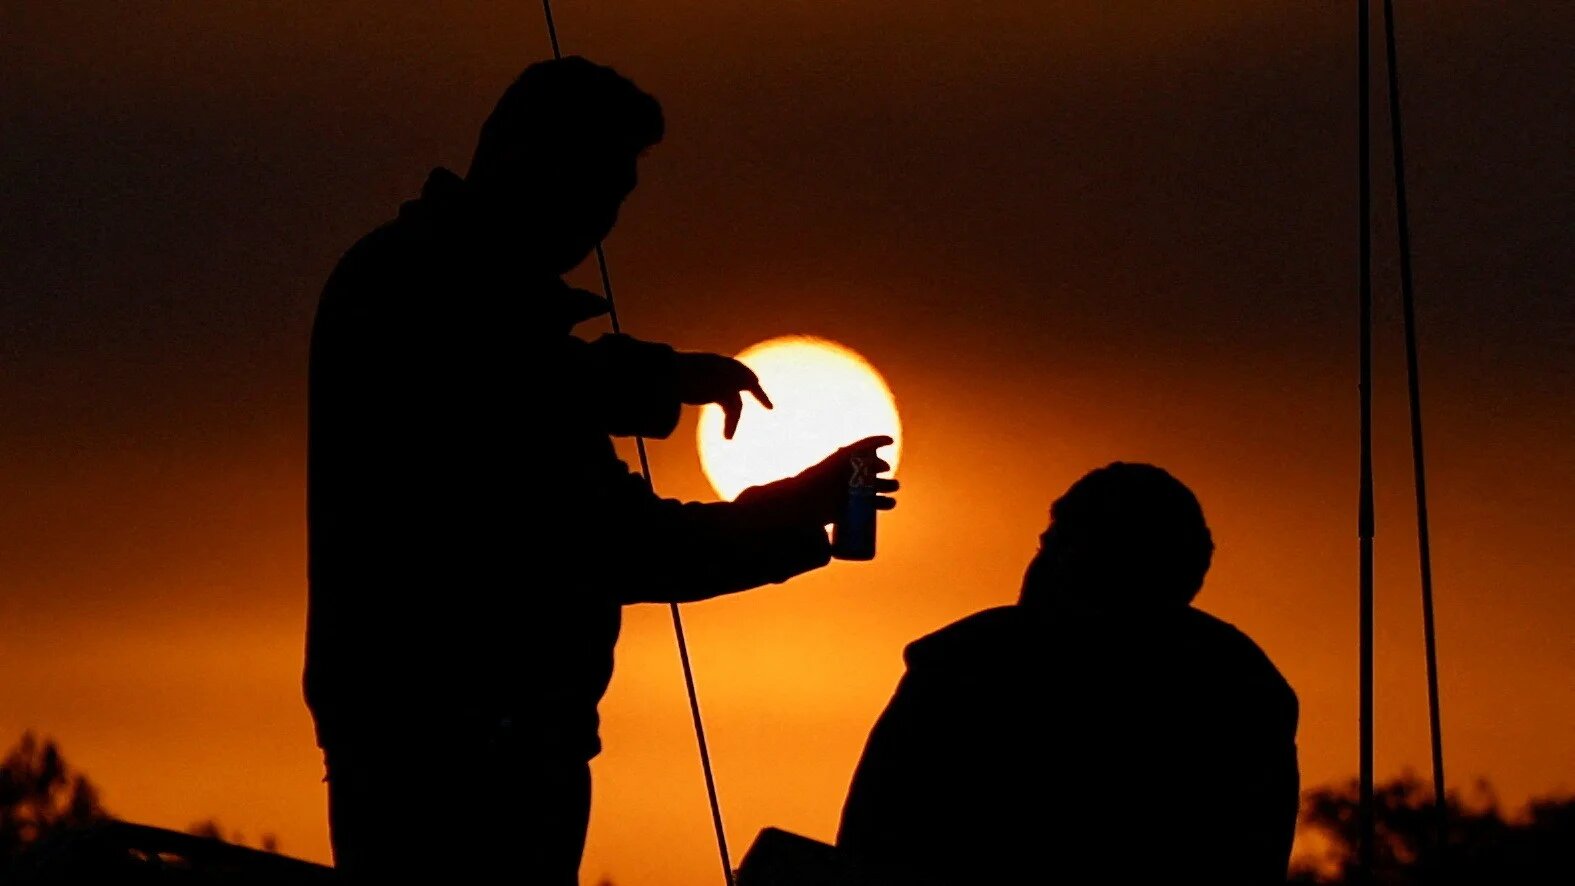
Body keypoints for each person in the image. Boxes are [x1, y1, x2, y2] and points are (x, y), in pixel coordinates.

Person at [305, 56, 897, 884]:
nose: (600, 220)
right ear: (522, 160)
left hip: (479, 741)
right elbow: (594, 532)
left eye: (616, 195)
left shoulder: (425, 287)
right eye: (591, 182)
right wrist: (790, 511)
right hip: (459, 752)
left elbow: (541, 387)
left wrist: (664, 384)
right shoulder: (419, 294)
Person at [835, 463, 1297, 885]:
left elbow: (868, 844)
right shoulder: (1241, 685)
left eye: (1060, 546)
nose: (1039, 565)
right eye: (1045, 545)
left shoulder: (965, 667)